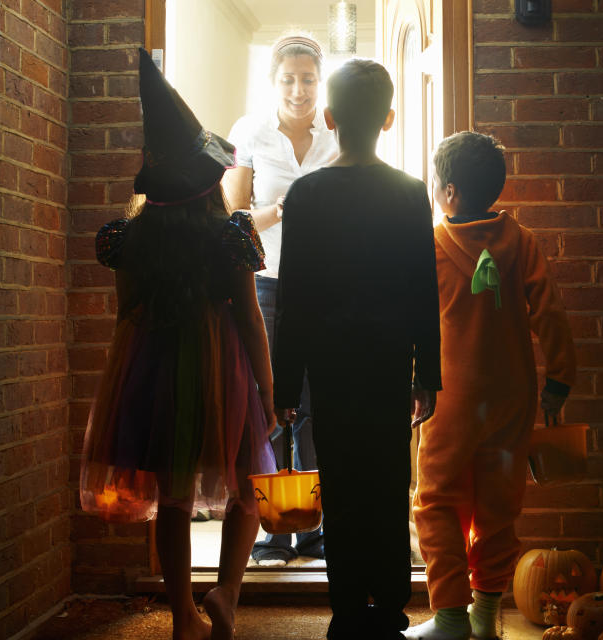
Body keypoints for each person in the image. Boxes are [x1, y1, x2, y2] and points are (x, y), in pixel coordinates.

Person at [79, 49, 277, 640]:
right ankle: (229, 593)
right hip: (222, 367)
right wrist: (268, 387)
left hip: (153, 363)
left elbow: (124, 314)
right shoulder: (232, 233)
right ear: (209, 177)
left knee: (172, 497)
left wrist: (127, 383)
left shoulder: (126, 238)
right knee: (247, 488)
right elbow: (249, 317)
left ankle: (183, 615)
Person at [273, 58, 441, 639]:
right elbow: (426, 289)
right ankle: (391, 606)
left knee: (341, 482)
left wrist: (284, 385)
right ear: (389, 119)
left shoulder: (307, 194)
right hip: (390, 361)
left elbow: (292, 296)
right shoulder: (410, 192)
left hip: (332, 365)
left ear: (328, 117)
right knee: (389, 484)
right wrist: (429, 374)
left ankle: (346, 610)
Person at [404, 132, 577, 640]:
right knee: (498, 506)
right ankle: (485, 613)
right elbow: (551, 312)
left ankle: (452, 617)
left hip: (450, 397)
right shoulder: (521, 241)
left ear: (450, 192)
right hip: (513, 397)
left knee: (437, 500)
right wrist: (561, 379)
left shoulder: (431, 245)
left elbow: (413, 322)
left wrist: (412, 380)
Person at [221, 33, 338, 564]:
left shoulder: (336, 134)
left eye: (308, 79)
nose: (299, 90)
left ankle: (311, 524)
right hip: (264, 284)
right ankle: (273, 528)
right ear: (274, 82)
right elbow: (234, 218)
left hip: (325, 284)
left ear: (321, 81)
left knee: (314, 404)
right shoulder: (249, 132)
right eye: (288, 79)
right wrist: (286, 209)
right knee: (268, 401)